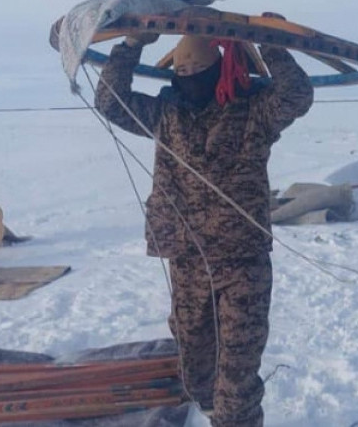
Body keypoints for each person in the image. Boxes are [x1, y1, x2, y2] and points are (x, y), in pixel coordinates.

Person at [95, 26, 314, 427]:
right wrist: (130, 47)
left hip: (241, 261)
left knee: (237, 373)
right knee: (195, 368)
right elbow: (111, 102)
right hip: (187, 258)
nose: (190, 71)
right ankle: (213, 409)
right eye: (182, 66)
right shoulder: (165, 113)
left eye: (199, 64)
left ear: (220, 65)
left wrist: (272, 44)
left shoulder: (254, 111)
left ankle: (235, 419)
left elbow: (297, 95)